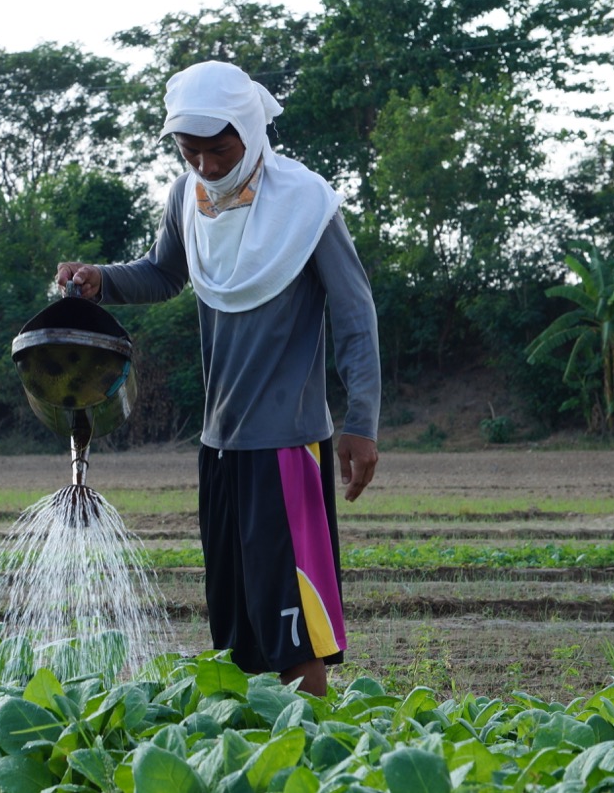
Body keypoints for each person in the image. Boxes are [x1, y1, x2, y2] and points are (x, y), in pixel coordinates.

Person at [56, 61, 380, 696]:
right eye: (190, 149)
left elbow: (355, 311)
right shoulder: (187, 197)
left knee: (295, 630)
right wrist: (103, 279)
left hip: (287, 446)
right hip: (221, 446)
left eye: (219, 149)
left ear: (252, 131)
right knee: (237, 628)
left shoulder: (307, 203)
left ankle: (314, 759)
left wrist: (361, 421)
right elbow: (165, 272)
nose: (204, 164)